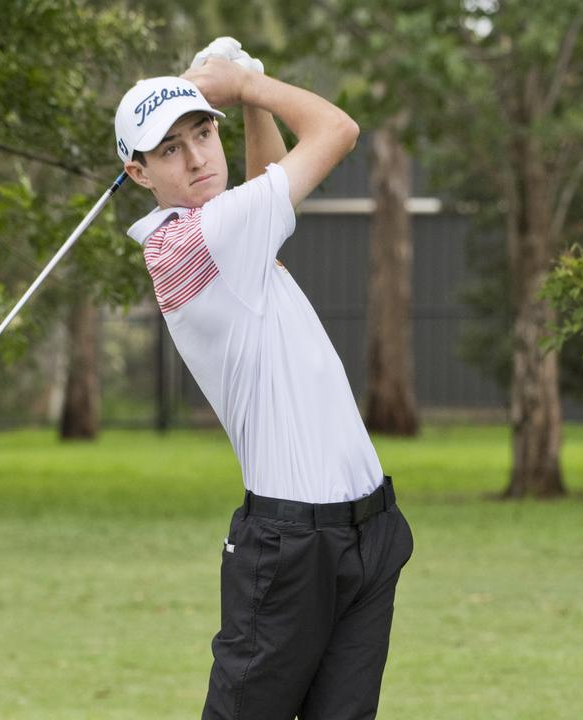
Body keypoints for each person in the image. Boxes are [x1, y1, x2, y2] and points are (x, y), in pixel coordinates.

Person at [113, 45, 414, 720]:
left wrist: (246, 101)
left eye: (203, 132)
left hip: (368, 533)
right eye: (169, 151)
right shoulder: (200, 239)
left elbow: (269, 184)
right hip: (290, 549)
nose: (196, 159)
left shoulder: (228, 232)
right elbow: (338, 131)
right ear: (138, 172)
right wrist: (249, 81)